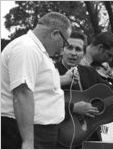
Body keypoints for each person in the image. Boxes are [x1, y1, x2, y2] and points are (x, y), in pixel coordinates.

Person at [54, 31, 113, 148]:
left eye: (78, 49)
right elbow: (41, 102)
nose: (74, 53)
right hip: (56, 137)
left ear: (83, 53)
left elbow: (110, 91)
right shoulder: (51, 72)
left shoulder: (89, 72)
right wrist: (73, 108)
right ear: (62, 50)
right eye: (69, 48)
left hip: (87, 137)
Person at [1, 12, 74, 149]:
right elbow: (22, 93)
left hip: (38, 132)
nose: (62, 49)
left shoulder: (36, 50)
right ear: (55, 34)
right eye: (65, 43)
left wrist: (64, 79)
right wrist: (28, 142)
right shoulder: (26, 49)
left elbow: (38, 84)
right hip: (25, 132)